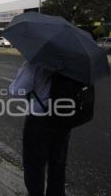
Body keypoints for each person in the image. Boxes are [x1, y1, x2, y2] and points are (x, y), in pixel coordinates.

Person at [9, 62, 71, 196]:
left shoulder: (35, 63)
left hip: (39, 120)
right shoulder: (72, 63)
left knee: (34, 164)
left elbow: (16, 91)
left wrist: (19, 74)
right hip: (64, 118)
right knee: (58, 163)